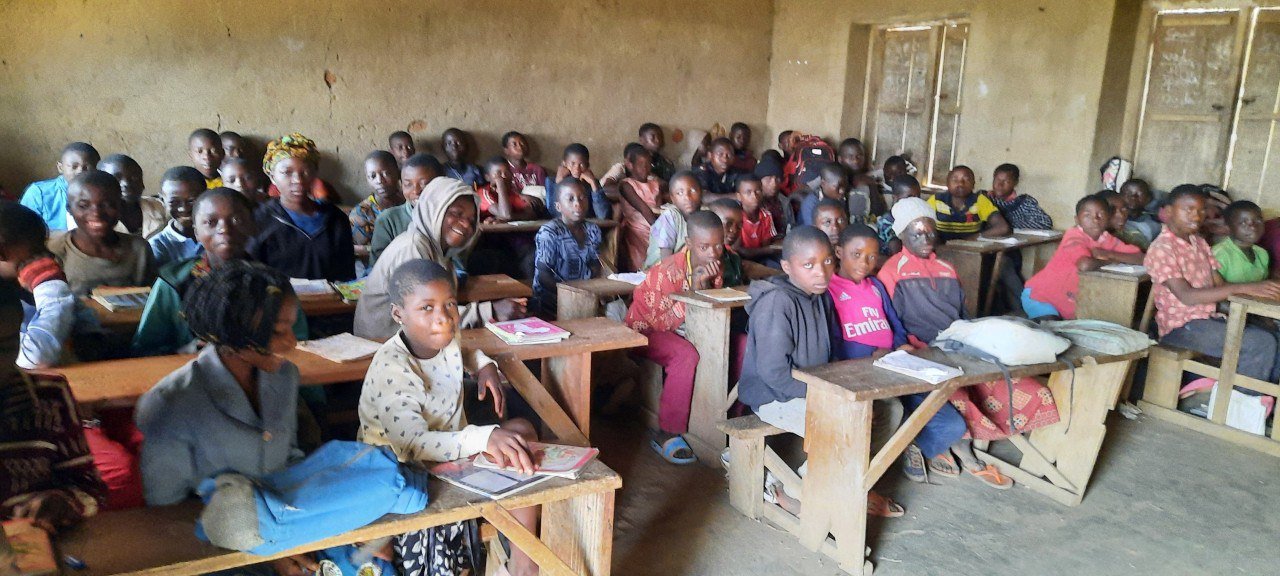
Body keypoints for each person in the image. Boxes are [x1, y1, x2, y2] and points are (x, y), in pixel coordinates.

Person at [359, 259, 541, 576]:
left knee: (523, 435)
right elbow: (411, 446)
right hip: (405, 470)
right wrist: (482, 437)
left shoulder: (443, 336)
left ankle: (522, 559)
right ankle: (524, 565)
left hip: (450, 453)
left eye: (450, 304)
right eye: (426, 308)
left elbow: (464, 347)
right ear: (398, 314)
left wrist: (484, 365)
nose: (443, 317)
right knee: (511, 448)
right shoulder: (393, 367)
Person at [135, 261, 318, 576]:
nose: (291, 343)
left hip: (285, 527)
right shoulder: (172, 404)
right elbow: (168, 512)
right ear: (232, 334)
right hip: (214, 548)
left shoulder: (284, 376)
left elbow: (287, 459)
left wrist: (295, 533)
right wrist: (265, 547)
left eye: (291, 326)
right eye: (276, 332)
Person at [879, 198, 1055, 489]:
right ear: (901, 236)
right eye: (916, 233)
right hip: (922, 349)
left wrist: (972, 338)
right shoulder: (891, 272)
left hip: (955, 342)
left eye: (929, 231)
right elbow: (892, 323)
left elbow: (962, 316)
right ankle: (954, 446)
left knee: (1018, 384)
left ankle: (962, 444)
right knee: (958, 393)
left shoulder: (947, 268)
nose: (925, 238)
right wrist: (912, 348)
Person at [737, 226, 904, 517]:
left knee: (890, 409)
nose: (821, 272)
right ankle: (791, 493)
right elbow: (774, 373)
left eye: (827, 261)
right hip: (775, 397)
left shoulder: (821, 297)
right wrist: (827, 393)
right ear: (787, 266)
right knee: (842, 423)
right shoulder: (778, 303)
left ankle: (828, 483)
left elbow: (830, 353)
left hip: (816, 388)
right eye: (808, 265)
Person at [828, 224, 967, 486]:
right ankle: (869, 471)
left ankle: (909, 444)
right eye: (856, 254)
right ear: (838, 252)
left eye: (871, 256)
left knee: (953, 426)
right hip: (862, 372)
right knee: (892, 411)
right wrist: (872, 354)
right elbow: (834, 341)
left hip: (896, 364)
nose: (865, 262)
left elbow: (895, 324)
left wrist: (900, 345)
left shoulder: (877, 286)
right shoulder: (830, 290)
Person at [133, 187, 309, 356]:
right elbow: (145, 348)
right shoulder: (173, 282)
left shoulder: (272, 282)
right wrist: (183, 352)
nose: (224, 229)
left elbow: (299, 342)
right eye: (211, 222)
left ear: (253, 227)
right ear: (196, 233)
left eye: (236, 220)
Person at [356, 177, 526, 341]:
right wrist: (490, 311)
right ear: (434, 209)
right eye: (456, 213)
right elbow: (426, 314)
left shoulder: (443, 255)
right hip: (380, 346)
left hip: (409, 340)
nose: (466, 224)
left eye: (471, 220)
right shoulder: (413, 247)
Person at [0, 276, 106, 534]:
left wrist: (63, 502)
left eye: (5, 347)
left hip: (36, 549)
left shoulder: (49, 396)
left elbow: (89, 487)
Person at [1147, 185, 1280, 383]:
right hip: (1182, 327)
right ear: (1168, 212)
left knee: (1274, 336)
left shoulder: (1199, 243)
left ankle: (1261, 404)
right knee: (1259, 343)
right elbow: (1187, 296)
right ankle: (1239, 404)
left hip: (1210, 318)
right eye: (1188, 210)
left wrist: (1261, 293)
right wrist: (1246, 287)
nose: (1196, 216)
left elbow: (1219, 286)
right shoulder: (1162, 248)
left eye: (1201, 211)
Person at [626, 210, 727, 464]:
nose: (713, 253)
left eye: (718, 245)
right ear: (689, 244)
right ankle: (667, 431)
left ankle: (726, 419)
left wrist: (704, 290)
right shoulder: (667, 271)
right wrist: (694, 294)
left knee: (734, 345)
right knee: (685, 355)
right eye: (705, 247)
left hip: (683, 330)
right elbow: (655, 321)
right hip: (643, 330)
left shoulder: (715, 265)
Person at [251, 133, 355, 281]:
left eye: (305, 171)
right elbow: (254, 276)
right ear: (272, 176)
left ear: (314, 174)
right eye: (287, 172)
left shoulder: (336, 219)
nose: (298, 180)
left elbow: (346, 275)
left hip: (329, 303)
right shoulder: (259, 220)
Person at [1022, 195, 1143, 320]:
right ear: (1077, 220)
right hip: (1041, 296)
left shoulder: (1107, 239)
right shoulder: (1074, 237)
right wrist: (1112, 260)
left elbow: (1141, 258)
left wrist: (1108, 254)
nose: (1095, 219)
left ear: (1108, 218)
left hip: (1068, 299)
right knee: (1052, 328)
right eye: (1087, 215)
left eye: (1101, 214)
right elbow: (1084, 265)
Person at [49, 171, 156, 296]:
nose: (96, 214)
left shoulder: (139, 249)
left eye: (107, 205)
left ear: (120, 207)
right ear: (70, 209)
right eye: (83, 206)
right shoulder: (55, 252)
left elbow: (152, 299)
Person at [1, 202, 75, 369]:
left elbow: (76, 317)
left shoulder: (15, 285)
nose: (42, 258)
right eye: (33, 253)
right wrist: (51, 286)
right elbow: (35, 358)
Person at [532, 178, 602, 317]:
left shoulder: (593, 230)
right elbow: (543, 276)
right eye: (570, 199)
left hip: (583, 297)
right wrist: (570, 295)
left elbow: (595, 265)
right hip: (551, 299)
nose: (577, 204)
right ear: (558, 206)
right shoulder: (549, 232)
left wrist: (590, 291)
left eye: (582, 198)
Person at [370, 153, 444, 266]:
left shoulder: (448, 218)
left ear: (441, 183)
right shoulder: (388, 220)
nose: (416, 191)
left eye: (424, 184)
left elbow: (458, 263)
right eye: (408, 184)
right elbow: (378, 265)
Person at [20, 141, 100, 231]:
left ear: (97, 169)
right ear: (60, 168)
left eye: (87, 167)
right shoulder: (38, 193)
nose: (80, 171)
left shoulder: (102, 194)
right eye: (74, 166)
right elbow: (24, 229)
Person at [927, 165, 1011, 242]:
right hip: (939, 249)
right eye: (955, 180)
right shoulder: (936, 200)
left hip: (970, 250)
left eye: (966, 180)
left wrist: (976, 236)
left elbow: (1003, 228)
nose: (960, 183)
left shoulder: (980, 201)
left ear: (973, 184)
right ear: (947, 183)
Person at [618, 144, 666, 272]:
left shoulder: (655, 184)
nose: (645, 168)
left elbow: (660, 207)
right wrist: (660, 232)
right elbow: (644, 209)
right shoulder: (627, 185)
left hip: (655, 223)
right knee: (643, 265)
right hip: (637, 229)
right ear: (630, 165)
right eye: (640, 164)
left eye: (648, 164)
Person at [350, 150, 405, 260]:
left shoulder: (410, 199)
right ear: (367, 178)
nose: (379, 181)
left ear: (398, 173)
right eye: (373, 176)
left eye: (386, 173)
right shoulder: (362, 212)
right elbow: (356, 249)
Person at [643, 170, 704, 269]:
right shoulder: (670, 216)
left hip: (687, 268)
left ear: (701, 193)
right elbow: (666, 259)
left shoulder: (704, 216)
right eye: (680, 193)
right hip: (660, 270)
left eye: (692, 191)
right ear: (672, 198)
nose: (687, 197)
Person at [148, 166, 206, 267]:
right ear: (162, 200)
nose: (184, 208)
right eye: (174, 202)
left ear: (206, 196)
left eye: (192, 200)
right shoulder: (158, 246)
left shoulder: (220, 232)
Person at [99, 154, 166, 239]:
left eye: (134, 177)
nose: (127, 184)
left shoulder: (158, 207)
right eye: (116, 178)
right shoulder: (94, 218)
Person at [547, 143, 611, 220]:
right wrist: (559, 183)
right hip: (562, 228)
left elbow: (603, 215)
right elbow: (554, 213)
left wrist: (594, 185)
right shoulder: (552, 182)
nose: (577, 169)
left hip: (587, 227)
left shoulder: (592, 183)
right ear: (564, 164)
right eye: (572, 164)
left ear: (587, 166)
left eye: (581, 164)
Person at [1214, 200, 1269, 284]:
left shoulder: (1262, 253)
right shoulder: (1219, 255)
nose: (1253, 227)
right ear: (1228, 226)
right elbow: (1215, 291)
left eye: (1258, 220)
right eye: (1243, 223)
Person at [985, 163, 1052, 230]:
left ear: (1015, 182)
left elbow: (1045, 223)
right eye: (997, 180)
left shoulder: (1025, 202)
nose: (1000, 185)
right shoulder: (984, 198)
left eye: (1006, 181)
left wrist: (1006, 224)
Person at [478, 155, 543, 222]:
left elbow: (531, 214)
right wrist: (500, 183)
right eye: (498, 173)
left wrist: (508, 217)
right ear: (487, 177)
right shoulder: (483, 193)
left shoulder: (511, 193)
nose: (504, 176)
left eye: (507, 172)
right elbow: (506, 215)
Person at [836, 138, 887, 219]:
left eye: (859, 156)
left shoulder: (868, 179)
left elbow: (878, 212)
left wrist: (872, 185)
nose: (856, 161)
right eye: (850, 157)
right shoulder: (834, 178)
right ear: (840, 159)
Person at [733, 175, 779, 261]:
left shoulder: (766, 216)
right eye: (748, 193)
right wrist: (766, 251)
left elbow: (765, 245)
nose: (754, 196)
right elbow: (737, 250)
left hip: (761, 258)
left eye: (758, 191)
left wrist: (766, 251)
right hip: (741, 261)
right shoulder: (736, 218)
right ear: (739, 196)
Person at [876, 175, 922, 256]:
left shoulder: (912, 217)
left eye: (918, 197)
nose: (915, 201)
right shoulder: (888, 223)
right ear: (895, 198)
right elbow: (897, 254)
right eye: (909, 197)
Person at [707, 199, 747, 286]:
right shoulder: (692, 261)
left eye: (739, 225)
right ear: (710, 224)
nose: (734, 230)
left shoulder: (734, 259)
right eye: (728, 223)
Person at [797, 163, 848, 227]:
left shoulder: (841, 198)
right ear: (823, 183)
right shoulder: (810, 203)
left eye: (844, 186)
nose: (842, 191)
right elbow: (813, 231)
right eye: (838, 187)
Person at [1121, 178, 1161, 245]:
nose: (1133, 197)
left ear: (1148, 197)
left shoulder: (1153, 218)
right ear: (1120, 196)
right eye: (1128, 194)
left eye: (1139, 194)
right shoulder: (1116, 217)